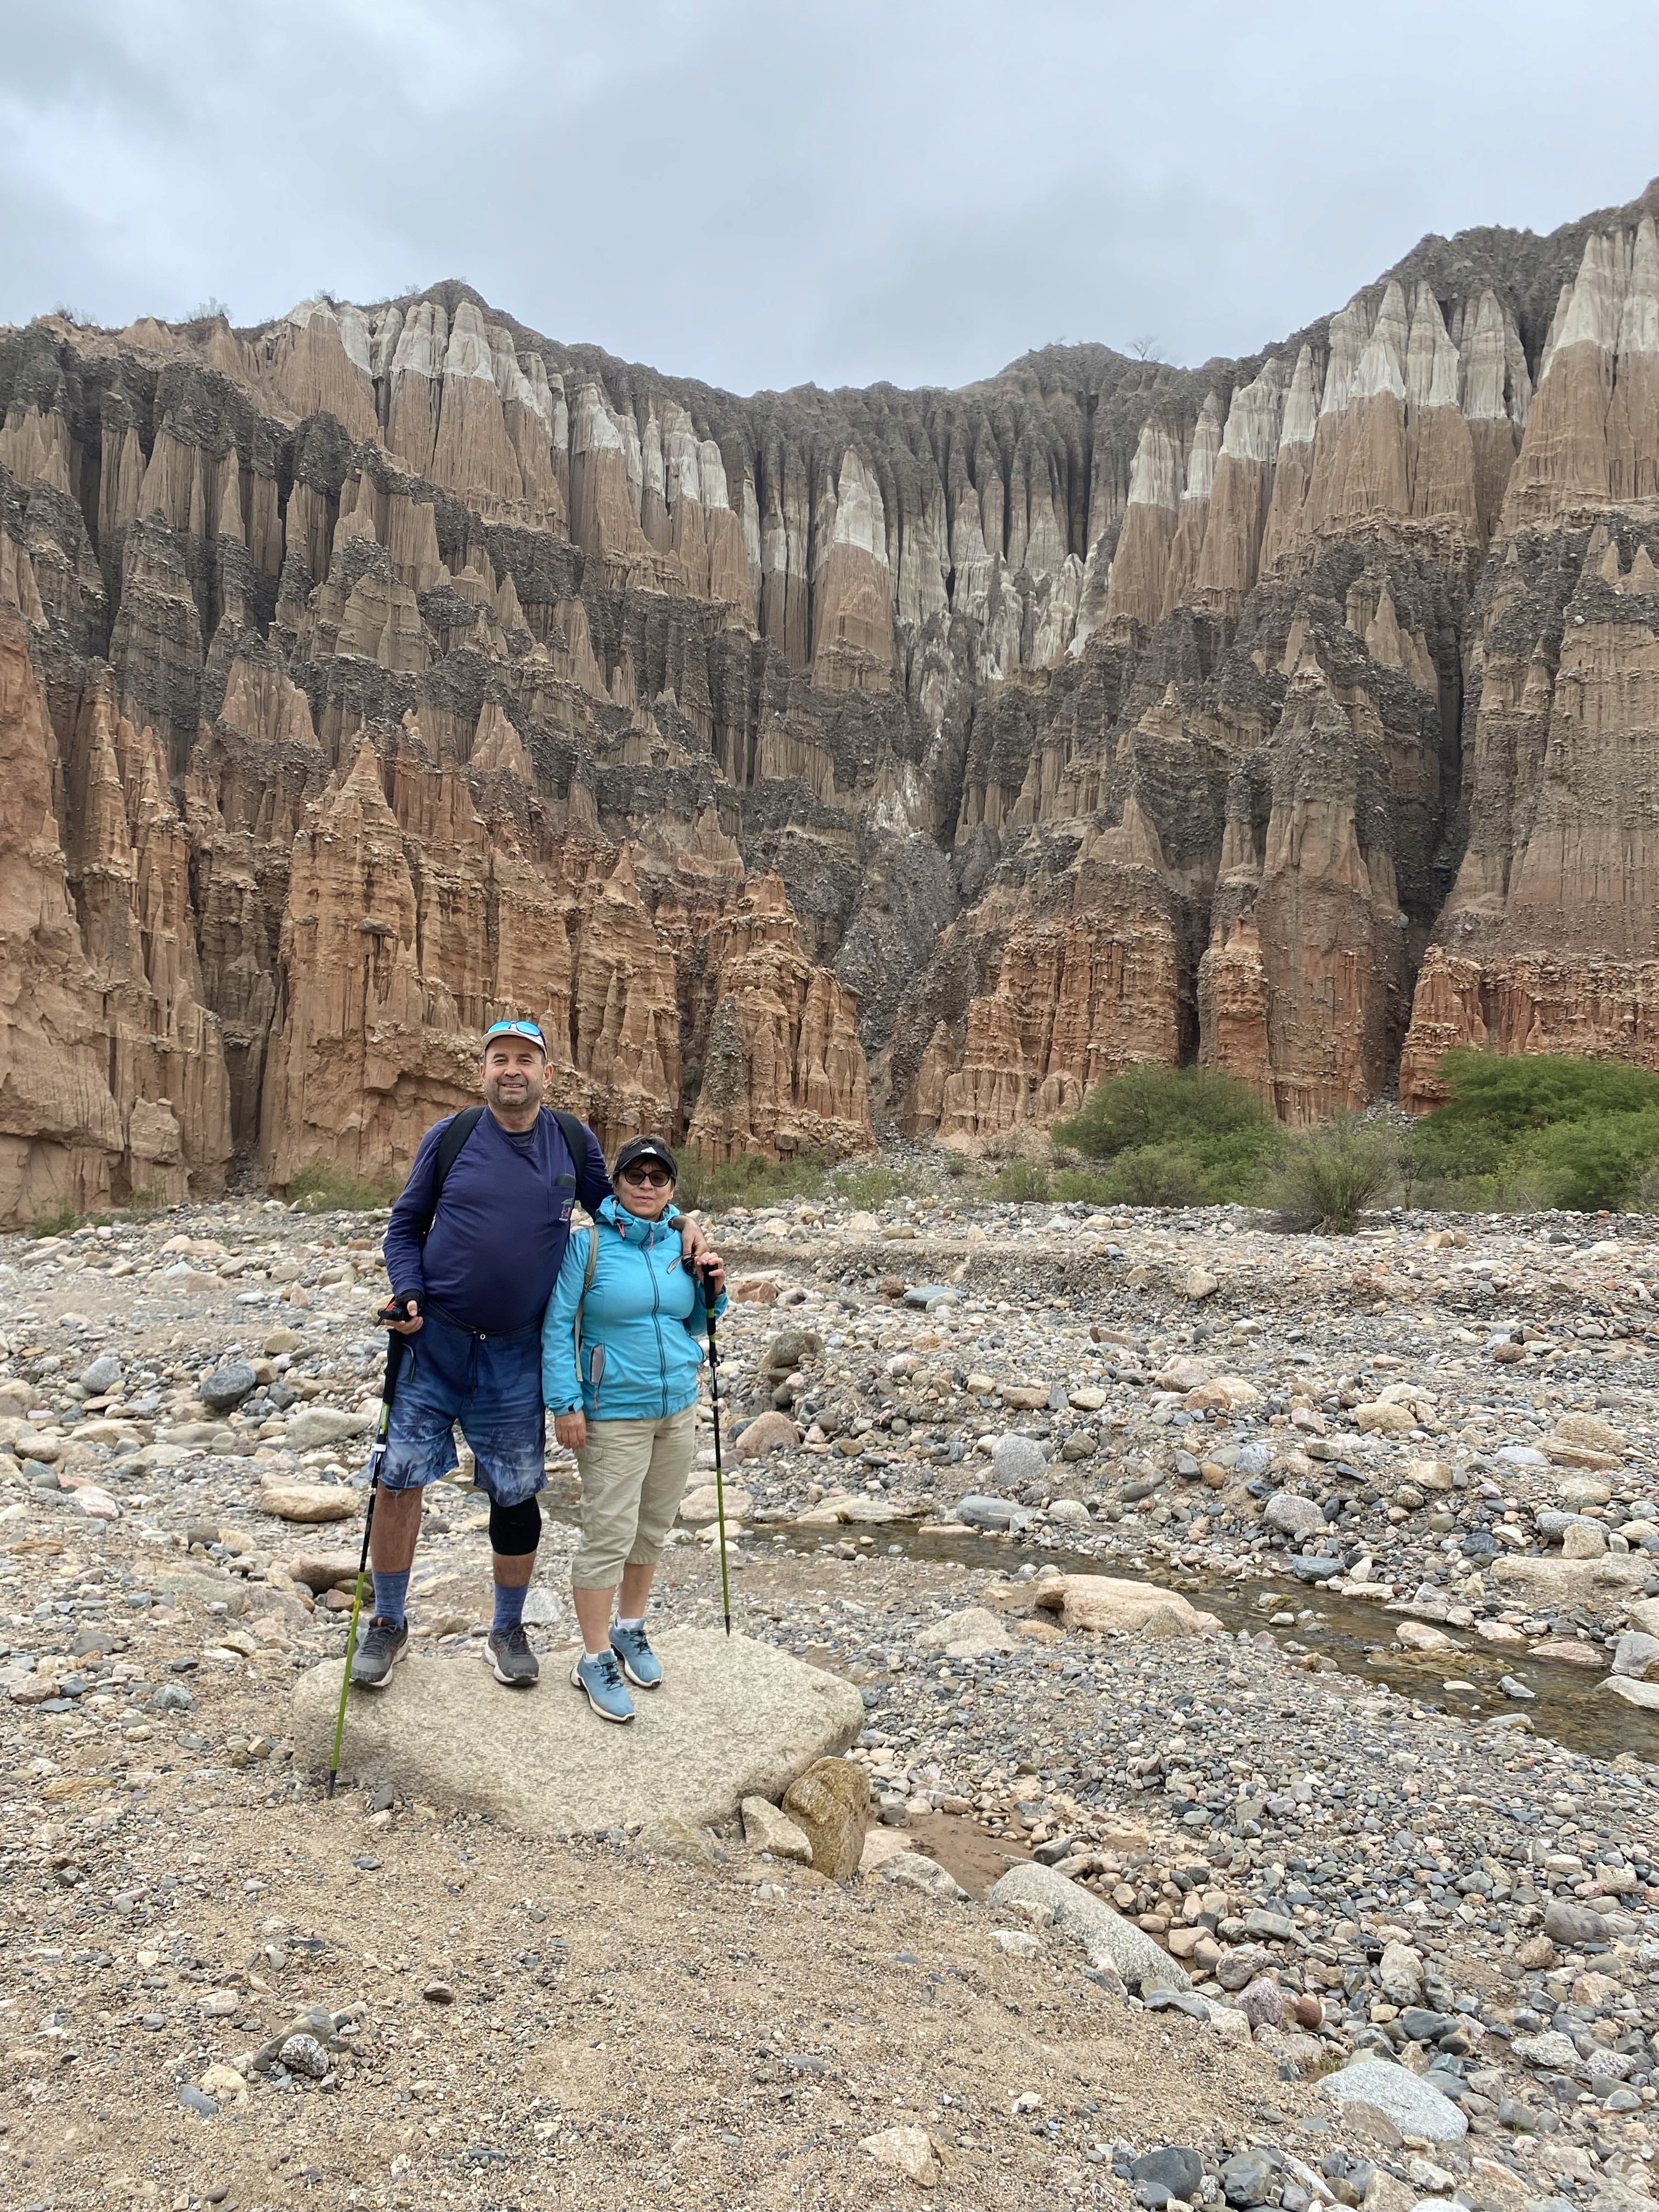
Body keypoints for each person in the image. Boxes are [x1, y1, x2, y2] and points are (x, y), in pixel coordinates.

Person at [355, 1021, 716, 1692]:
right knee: (399, 1478)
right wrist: (406, 1291)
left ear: (547, 1075)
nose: (512, 1070)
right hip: (433, 1340)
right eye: (500, 1059)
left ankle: (508, 1628)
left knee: (517, 1491)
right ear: (484, 1071)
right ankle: (389, 1622)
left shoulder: (570, 1141)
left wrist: (681, 1223)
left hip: (518, 1351)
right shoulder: (451, 1137)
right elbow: (405, 1226)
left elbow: (620, 1210)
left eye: (526, 1060)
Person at [543, 1136, 726, 1724]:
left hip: (676, 1406)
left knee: (651, 1526)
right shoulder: (588, 1246)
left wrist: (713, 1291)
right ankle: (593, 1658)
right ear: (616, 1183)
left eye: (659, 1177)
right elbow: (557, 1328)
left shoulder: (681, 1243)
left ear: (673, 1187)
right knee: (608, 1532)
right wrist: (565, 1404)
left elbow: (695, 1320)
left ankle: (629, 1630)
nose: (647, 1186)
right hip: (611, 1410)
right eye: (635, 1175)